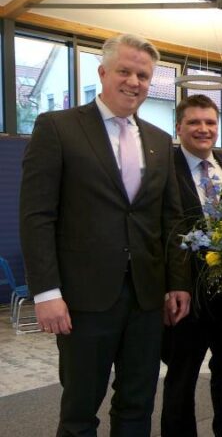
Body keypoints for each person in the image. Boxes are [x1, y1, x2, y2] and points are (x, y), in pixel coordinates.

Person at [19, 34, 191, 436]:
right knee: (80, 411)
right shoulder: (57, 128)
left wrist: (177, 283)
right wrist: (46, 292)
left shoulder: (158, 140)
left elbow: (172, 220)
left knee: (137, 405)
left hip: (147, 299)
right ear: (103, 73)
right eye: (125, 71)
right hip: (83, 299)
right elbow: (36, 215)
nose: (134, 81)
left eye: (143, 75)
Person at [161, 95, 222, 437]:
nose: (203, 129)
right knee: (181, 378)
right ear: (178, 127)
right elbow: (162, 232)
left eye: (210, 122)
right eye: (194, 122)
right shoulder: (163, 168)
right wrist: (169, 285)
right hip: (186, 294)